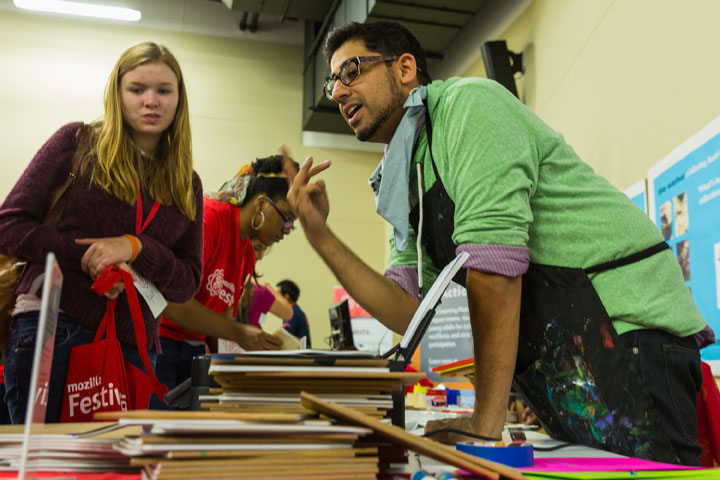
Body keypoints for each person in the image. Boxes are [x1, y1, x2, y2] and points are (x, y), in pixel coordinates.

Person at [285, 21, 713, 465]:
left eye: (351, 70)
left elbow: (494, 266)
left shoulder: (468, 106)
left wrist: (484, 423)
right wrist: (321, 237)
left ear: (406, 68)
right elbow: (406, 308)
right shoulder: (409, 170)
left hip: (625, 330)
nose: (337, 92)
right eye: (333, 82)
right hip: (567, 360)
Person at [0, 42, 204, 423]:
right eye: (137, 89)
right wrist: (91, 260)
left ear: (179, 99)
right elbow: (9, 225)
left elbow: (187, 282)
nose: (151, 102)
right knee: (46, 467)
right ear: (117, 93)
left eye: (164, 91)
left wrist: (135, 248)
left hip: (134, 347)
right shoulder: (77, 143)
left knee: (113, 469)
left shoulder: (186, 183)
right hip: (55, 326)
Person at [151, 155, 296, 409]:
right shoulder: (210, 220)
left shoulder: (246, 253)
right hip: (162, 345)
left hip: (194, 351)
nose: (287, 230)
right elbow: (170, 301)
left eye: (292, 225)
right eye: (286, 218)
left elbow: (222, 322)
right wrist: (240, 333)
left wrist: (244, 359)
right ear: (261, 203)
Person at [276, 279, 311, 347]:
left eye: (277, 294)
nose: (275, 297)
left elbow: (284, 337)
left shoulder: (293, 313)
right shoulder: (295, 310)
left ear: (286, 296)